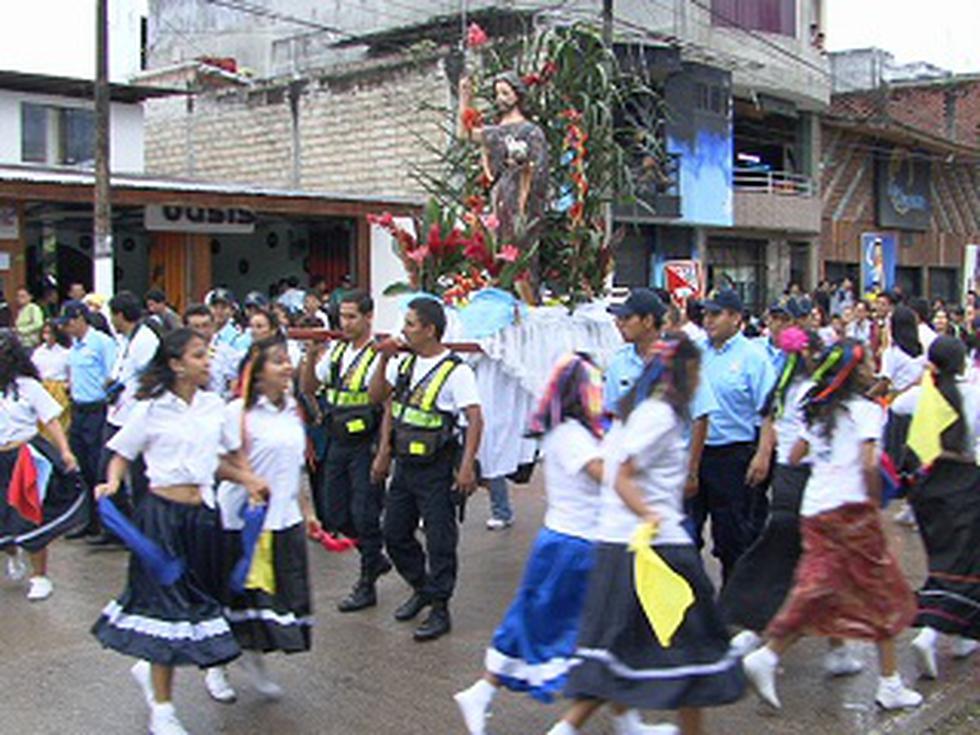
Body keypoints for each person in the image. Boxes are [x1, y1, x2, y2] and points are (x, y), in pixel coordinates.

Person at [547, 337, 745, 735]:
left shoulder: (633, 411)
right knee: (694, 654)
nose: (699, 377)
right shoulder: (659, 415)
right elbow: (622, 475)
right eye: (696, 369)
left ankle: (571, 729)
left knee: (618, 652)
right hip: (655, 549)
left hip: (625, 545)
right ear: (683, 372)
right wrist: (649, 513)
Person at [91, 329, 267, 735]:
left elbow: (219, 462)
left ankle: (169, 671)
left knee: (204, 601)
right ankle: (164, 709)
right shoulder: (150, 409)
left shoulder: (212, 407)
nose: (208, 362)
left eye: (207, 355)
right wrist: (113, 483)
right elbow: (121, 453)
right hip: (161, 518)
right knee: (166, 612)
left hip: (202, 518)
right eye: (198, 355)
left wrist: (248, 479)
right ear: (175, 364)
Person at [742, 340, 922, 712]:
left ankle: (771, 654)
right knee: (883, 593)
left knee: (821, 590)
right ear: (857, 372)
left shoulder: (816, 408)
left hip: (815, 507)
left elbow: (796, 453)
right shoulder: (868, 412)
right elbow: (869, 463)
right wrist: (876, 510)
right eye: (869, 362)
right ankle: (887, 683)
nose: (874, 367)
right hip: (850, 510)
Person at [369, 297, 483, 641]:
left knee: (440, 541)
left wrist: (466, 468)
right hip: (404, 464)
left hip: (438, 467)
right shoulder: (402, 364)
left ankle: (439, 608)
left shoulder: (456, 371)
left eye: (410, 324)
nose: (403, 330)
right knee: (394, 533)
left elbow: (475, 419)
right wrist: (384, 452)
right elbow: (381, 400)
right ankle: (422, 587)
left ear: (430, 329)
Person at [217, 337, 321, 700]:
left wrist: (307, 512)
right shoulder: (237, 414)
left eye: (287, 360)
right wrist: (247, 480)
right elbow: (217, 462)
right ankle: (217, 667)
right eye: (278, 362)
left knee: (275, 601)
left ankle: (254, 660)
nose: (288, 367)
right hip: (244, 524)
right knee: (238, 599)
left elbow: (294, 468)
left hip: (284, 520)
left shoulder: (292, 409)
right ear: (258, 375)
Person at [890, 337, 980, 679]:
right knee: (964, 564)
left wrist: (925, 382)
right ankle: (931, 634)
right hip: (966, 482)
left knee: (942, 561)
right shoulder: (974, 394)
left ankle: (959, 635)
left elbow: (897, 406)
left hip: (929, 486)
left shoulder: (923, 395)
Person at [299, 289, 391, 613]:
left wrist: (384, 452)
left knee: (365, 511)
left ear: (368, 317)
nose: (346, 323)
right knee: (334, 513)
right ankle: (373, 554)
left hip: (364, 442)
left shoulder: (377, 354)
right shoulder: (336, 352)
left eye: (353, 317)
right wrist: (310, 357)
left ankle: (366, 583)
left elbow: (386, 403)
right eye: (343, 317)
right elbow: (310, 388)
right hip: (337, 439)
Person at [693, 289, 776, 583]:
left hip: (733, 455)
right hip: (696, 454)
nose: (708, 320)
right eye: (705, 314)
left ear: (736, 318)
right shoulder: (696, 352)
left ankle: (733, 604)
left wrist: (763, 454)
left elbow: (768, 410)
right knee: (687, 535)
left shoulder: (753, 357)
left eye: (715, 314)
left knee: (731, 538)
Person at [0, 331, 81, 601]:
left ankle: (39, 576)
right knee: (3, 519)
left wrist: (65, 451)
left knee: (31, 517)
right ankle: (12, 554)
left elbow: (51, 420)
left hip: (23, 459)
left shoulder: (28, 386)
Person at [458, 71, 549, 300]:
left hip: (523, 195)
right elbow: (465, 134)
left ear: (517, 95)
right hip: (501, 194)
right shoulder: (496, 132)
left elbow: (539, 169)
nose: (500, 98)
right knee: (497, 244)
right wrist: (465, 97)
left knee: (520, 247)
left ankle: (525, 293)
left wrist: (524, 194)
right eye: (497, 93)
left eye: (505, 93)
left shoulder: (531, 131)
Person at [96, 291, 162, 544]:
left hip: (134, 415)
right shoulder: (124, 340)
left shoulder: (145, 340)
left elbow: (148, 377)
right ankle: (120, 526)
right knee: (106, 467)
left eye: (113, 315)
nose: (111, 321)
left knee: (139, 476)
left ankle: (142, 528)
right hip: (117, 414)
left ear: (120, 315)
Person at [57, 300, 117, 539]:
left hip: (97, 410)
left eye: (70, 322)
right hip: (79, 409)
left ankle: (109, 524)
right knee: (83, 469)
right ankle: (90, 521)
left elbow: (112, 376)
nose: (67, 328)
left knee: (99, 467)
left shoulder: (101, 343)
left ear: (81, 318)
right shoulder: (75, 346)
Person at [184, 304, 240, 400]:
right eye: (196, 327)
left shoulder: (228, 353)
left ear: (213, 326)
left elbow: (234, 386)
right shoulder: (179, 353)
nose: (201, 331)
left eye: (205, 325)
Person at [32, 320, 72, 439]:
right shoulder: (38, 352)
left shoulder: (65, 353)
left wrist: (67, 386)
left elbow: (70, 373)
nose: (47, 336)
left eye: (50, 333)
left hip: (59, 390)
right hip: (42, 388)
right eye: (45, 332)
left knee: (59, 422)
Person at [878, 305, 926, 397]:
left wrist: (868, 395)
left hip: (899, 398)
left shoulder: (892, 352)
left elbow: (884, 382)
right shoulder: (920, 349)